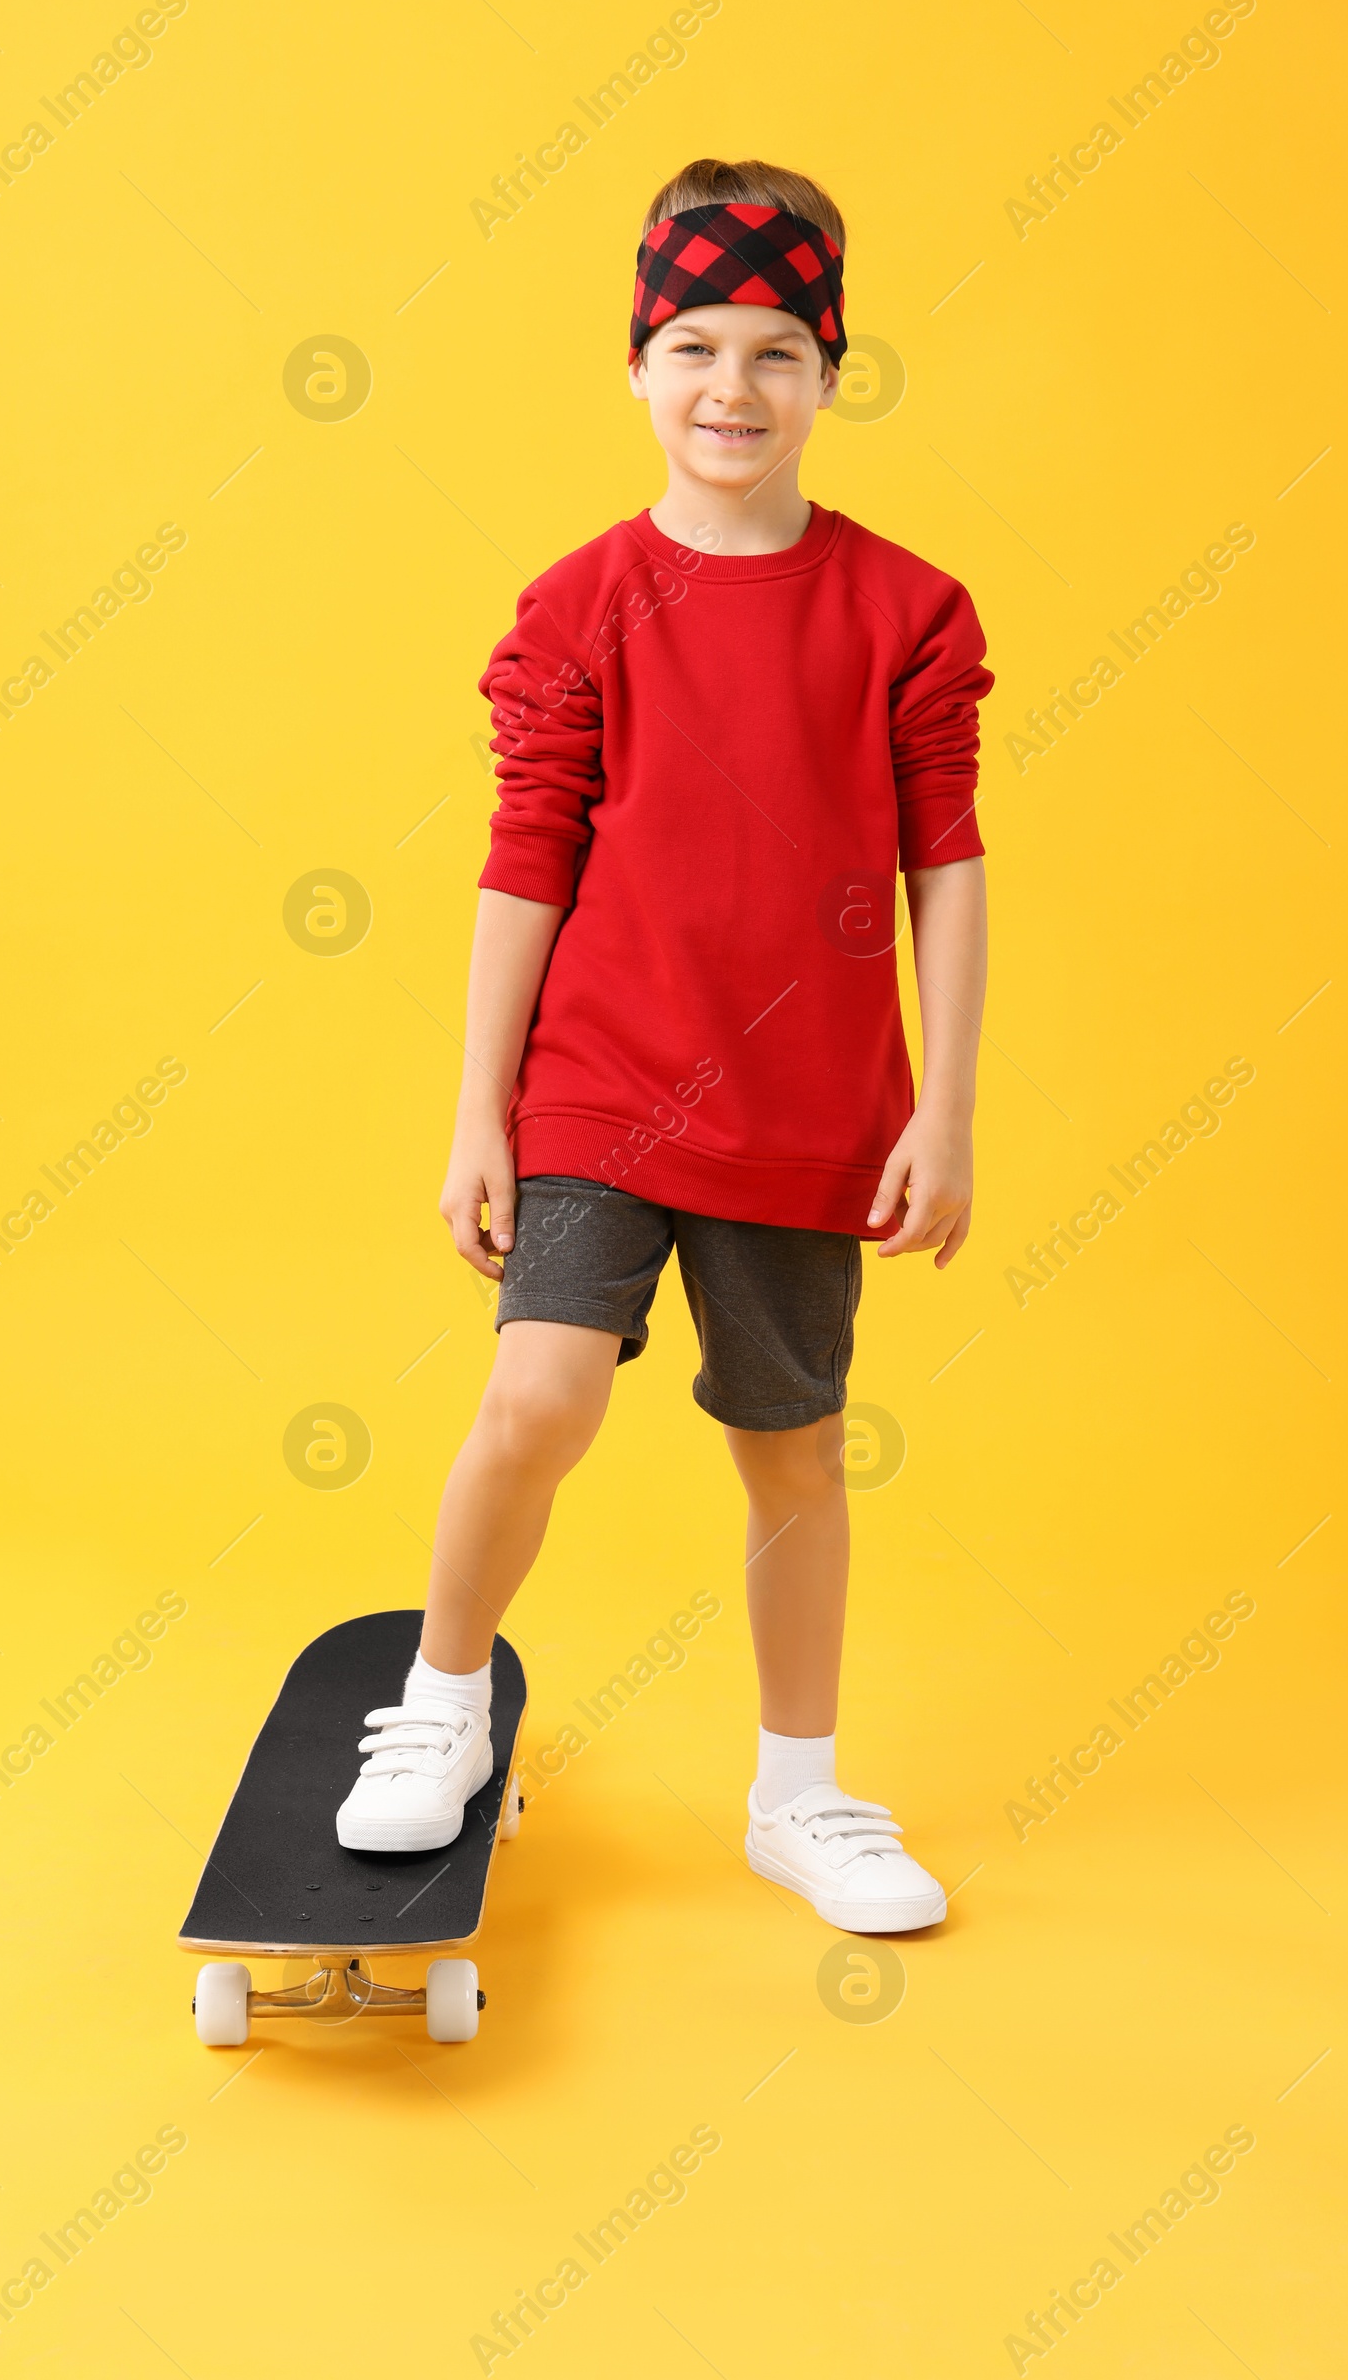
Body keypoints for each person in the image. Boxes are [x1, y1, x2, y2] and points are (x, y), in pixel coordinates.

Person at [337, 158, 992, 1933]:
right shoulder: (581, 608)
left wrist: (945, 1102)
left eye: (778, 351)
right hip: (602, 1087)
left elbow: (947, 862)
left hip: (812, 1107)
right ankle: (447, 1705)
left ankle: (801, 1795)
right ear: (636, 363)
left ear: (830, 374)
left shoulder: (907, 613)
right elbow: (526, 859)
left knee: (792, 1448)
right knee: (537, 1391)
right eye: (695, 345)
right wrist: (480, 1109)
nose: (732, 388)